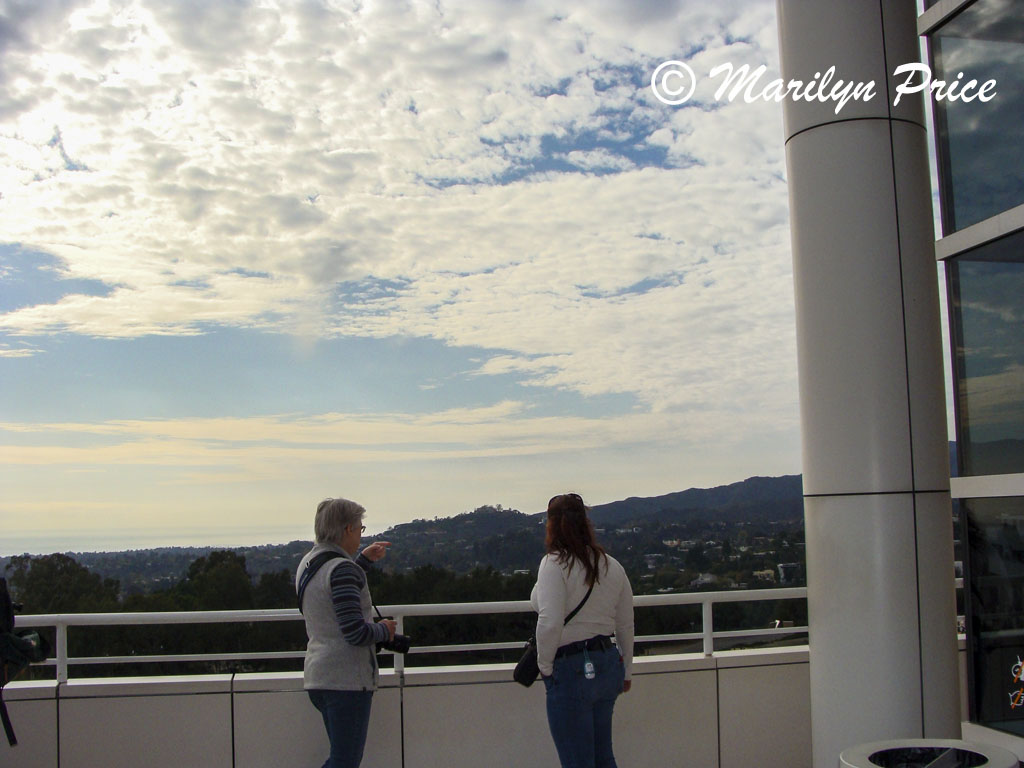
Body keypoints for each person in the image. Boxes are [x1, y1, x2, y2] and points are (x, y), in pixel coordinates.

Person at [532, 492, 635, 768]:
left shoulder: (553, 564)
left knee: (578, 761)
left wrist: (546, 668)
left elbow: (549, 620)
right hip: (607, 663)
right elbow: (625, 623)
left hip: (571, 668)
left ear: (551, 524)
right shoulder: (612, 566)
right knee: (603, 757)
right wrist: (627, 670)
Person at [296, 498, 395, 768]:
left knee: (341, 758)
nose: (361, 535)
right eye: (360, 529)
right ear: (348, 529)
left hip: (319, 675)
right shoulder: (341, 569)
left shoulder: (308, 563)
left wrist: (362, 561)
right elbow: (355, 632)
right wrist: (384, 630)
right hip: (346, 681)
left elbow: (333, 595)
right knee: (345, 762)